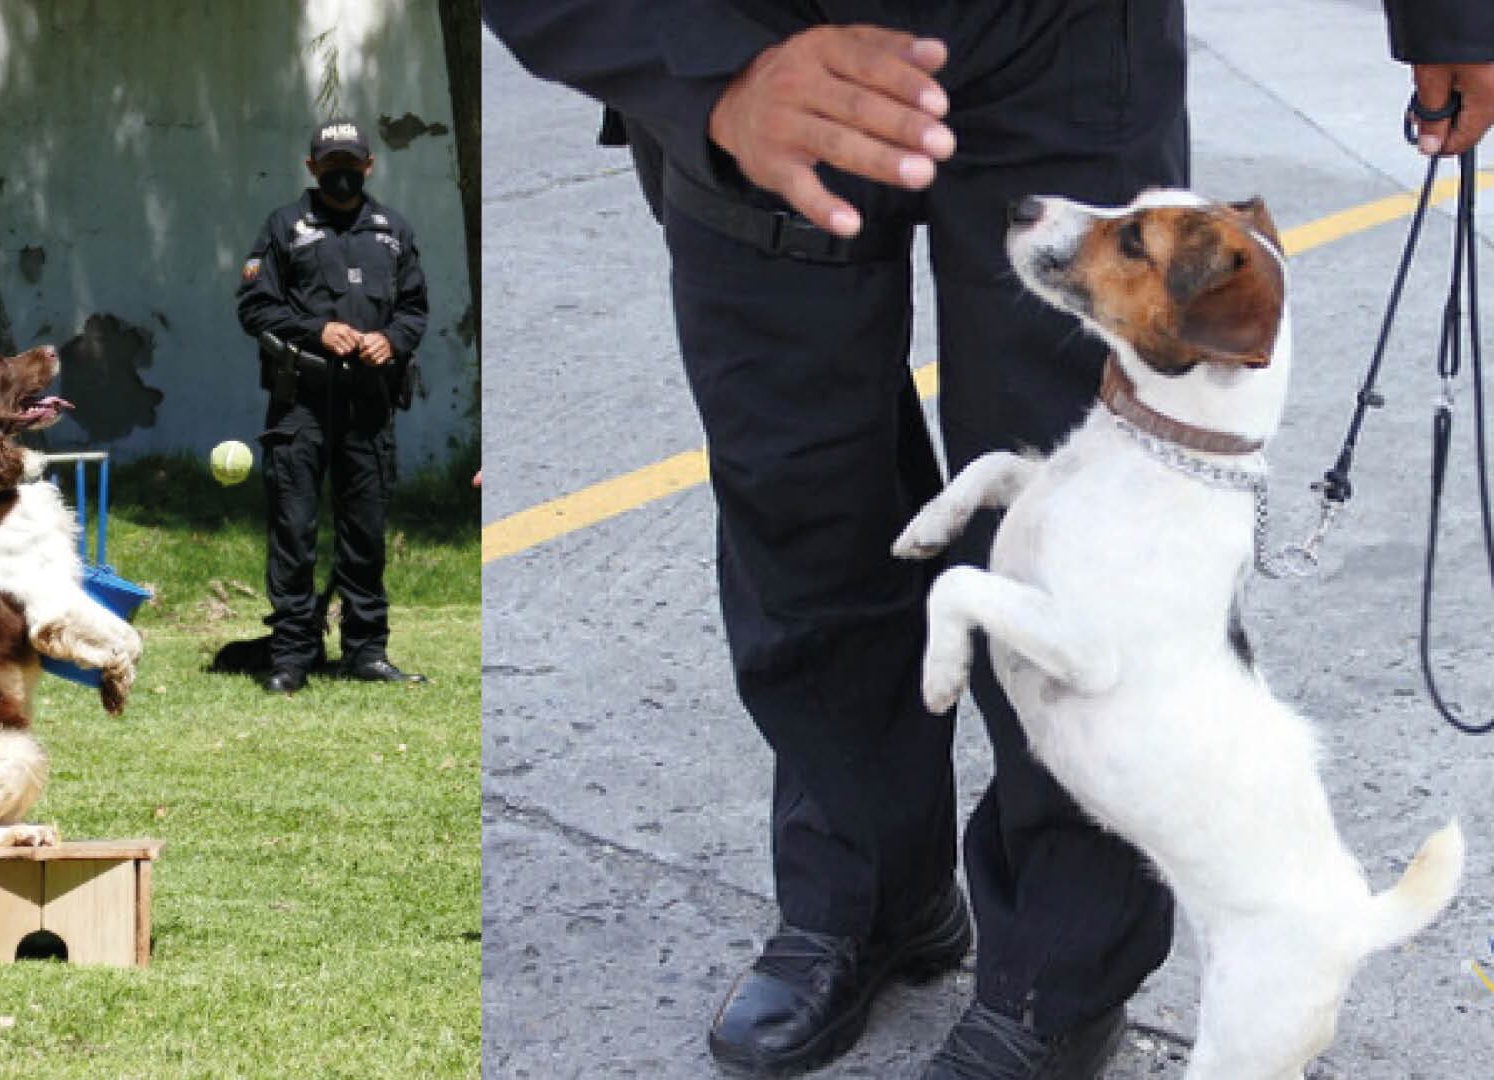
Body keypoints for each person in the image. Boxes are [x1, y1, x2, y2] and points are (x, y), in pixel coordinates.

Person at [484, 2, 1494, 1077]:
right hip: (751, 34)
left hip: (1059, 36)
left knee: (1117, 539)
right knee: (799, 493)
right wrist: (702, 74)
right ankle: (866, 894)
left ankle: (1059, 974)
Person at [235, 118, 430, 695]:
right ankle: (293, 655)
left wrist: (390, 339)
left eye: (352, 162)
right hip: (301, 405)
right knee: (294, 530)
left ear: (369, 166)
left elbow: (416, 309)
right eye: (330, 163)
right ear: (311, 168)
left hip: (370, 404)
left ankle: (367, 652)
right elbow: (254, 307)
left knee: (365, 533)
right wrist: (316, 330)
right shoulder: (283, 228)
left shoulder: (393, 230)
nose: (341, 173)